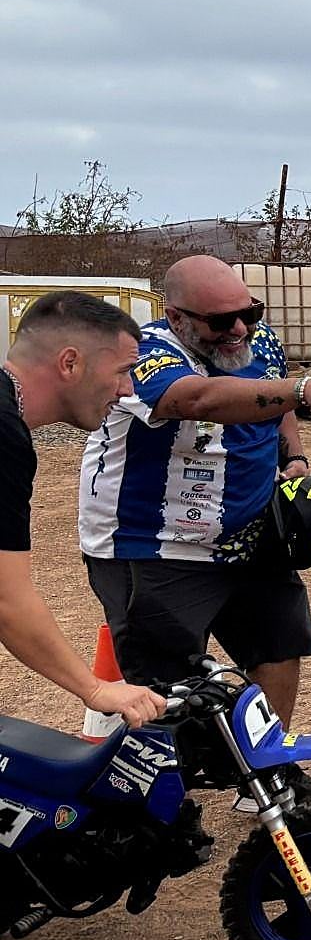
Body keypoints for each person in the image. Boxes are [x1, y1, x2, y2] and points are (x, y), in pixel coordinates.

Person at [79, 256, 311, 805]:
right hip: (152, 545)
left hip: (249, 529)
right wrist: (304, 390)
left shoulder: (255, 339)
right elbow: (196, 399)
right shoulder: (140, 354)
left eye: (249, 312)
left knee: (279, 641)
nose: (240, 329)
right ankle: (148, 804)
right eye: (222, 322)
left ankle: (266, 775)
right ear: (175, 317)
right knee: (164, 686)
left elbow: (275, 396)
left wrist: (294, 456)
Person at [0, 292, 167, 730]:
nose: (130, 389)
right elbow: (5, 598)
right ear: (70, 363)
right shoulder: (2, 436)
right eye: (123, 371)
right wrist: (95, 689)